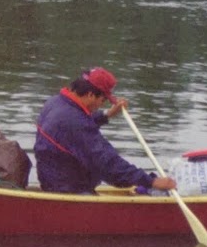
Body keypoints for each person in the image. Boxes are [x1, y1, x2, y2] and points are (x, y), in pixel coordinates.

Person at [34, 67, 176, 194]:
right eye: (103, 100)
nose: (102, 104)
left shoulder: (56, 102)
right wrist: (150, 181)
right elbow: (107, 164)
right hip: (68, 190)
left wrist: (106, 115)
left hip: (51, 180)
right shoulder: (75, 123)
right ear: (90, 95)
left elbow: (75, 129)